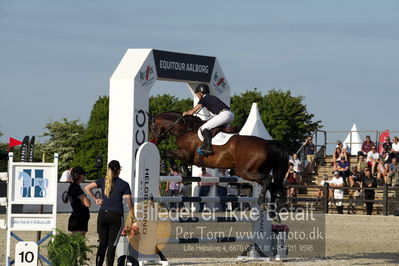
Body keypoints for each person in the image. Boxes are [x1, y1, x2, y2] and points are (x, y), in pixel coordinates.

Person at [85, 160, 138, 266]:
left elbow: (87, 188)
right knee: (112, 245)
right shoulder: (124, 184)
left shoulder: (102, 181)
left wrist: (96, 199)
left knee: (102, 245)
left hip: (102, 214)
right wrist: (133, 214)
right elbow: (129, 202)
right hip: (116, 215)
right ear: (119, 170)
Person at [183, 83, 234, 155]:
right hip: (230, 114)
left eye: (197, 94)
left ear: (200, 93)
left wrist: (185, 113)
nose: (197, 96)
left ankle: (208, 148)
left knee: (204, 128)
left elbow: (192, 112)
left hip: (223, 115)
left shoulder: (204, 98)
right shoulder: (211, 97)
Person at [68, 166, 90, 235]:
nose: (84, 176)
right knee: (78, 241)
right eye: (83, 174)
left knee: (77, 241)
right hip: (79, 217)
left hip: (78, 216)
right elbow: (87, 204)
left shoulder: (73, 186)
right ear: (80, 176)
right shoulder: (76, 187)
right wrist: (87, 199)